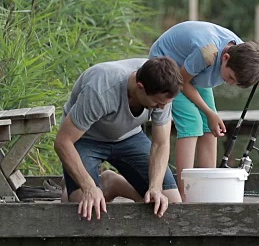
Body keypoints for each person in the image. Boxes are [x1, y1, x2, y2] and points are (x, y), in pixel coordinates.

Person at [149, 21, 259, 200]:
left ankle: (205, 190)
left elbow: (253, 64)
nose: (230, 83)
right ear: (225, 58)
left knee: (211, 129)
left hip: (194, 72)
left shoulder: (240, 50)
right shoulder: (207, 54)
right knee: (192, 122)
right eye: (231, 77)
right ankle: (183, 193)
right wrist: (209, 113)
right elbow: (183, 82)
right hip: (169, 68)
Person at [54, 57, 183, 221]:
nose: (162, 108)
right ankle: (72, 188)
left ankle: (112, 183)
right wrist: (88, 187)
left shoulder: (163, 86)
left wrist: (155, 187)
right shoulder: (101, 89)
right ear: (140, 87)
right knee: (85, 207)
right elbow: (63, 142)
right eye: (157, 103)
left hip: (129, 136)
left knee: (170, 203)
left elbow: (160, 143)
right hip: (87, 138)